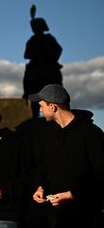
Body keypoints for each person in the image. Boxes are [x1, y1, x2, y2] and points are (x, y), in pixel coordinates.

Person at [30, 84, 104, 228]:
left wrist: (72, 194)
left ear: (52, 107)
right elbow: (43, 166)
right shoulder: (48, 133)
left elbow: (101, 175)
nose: (39, 110)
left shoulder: (91, 134)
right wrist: (40, 186)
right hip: (54, 217)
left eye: (41, 105)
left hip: (84, 216)